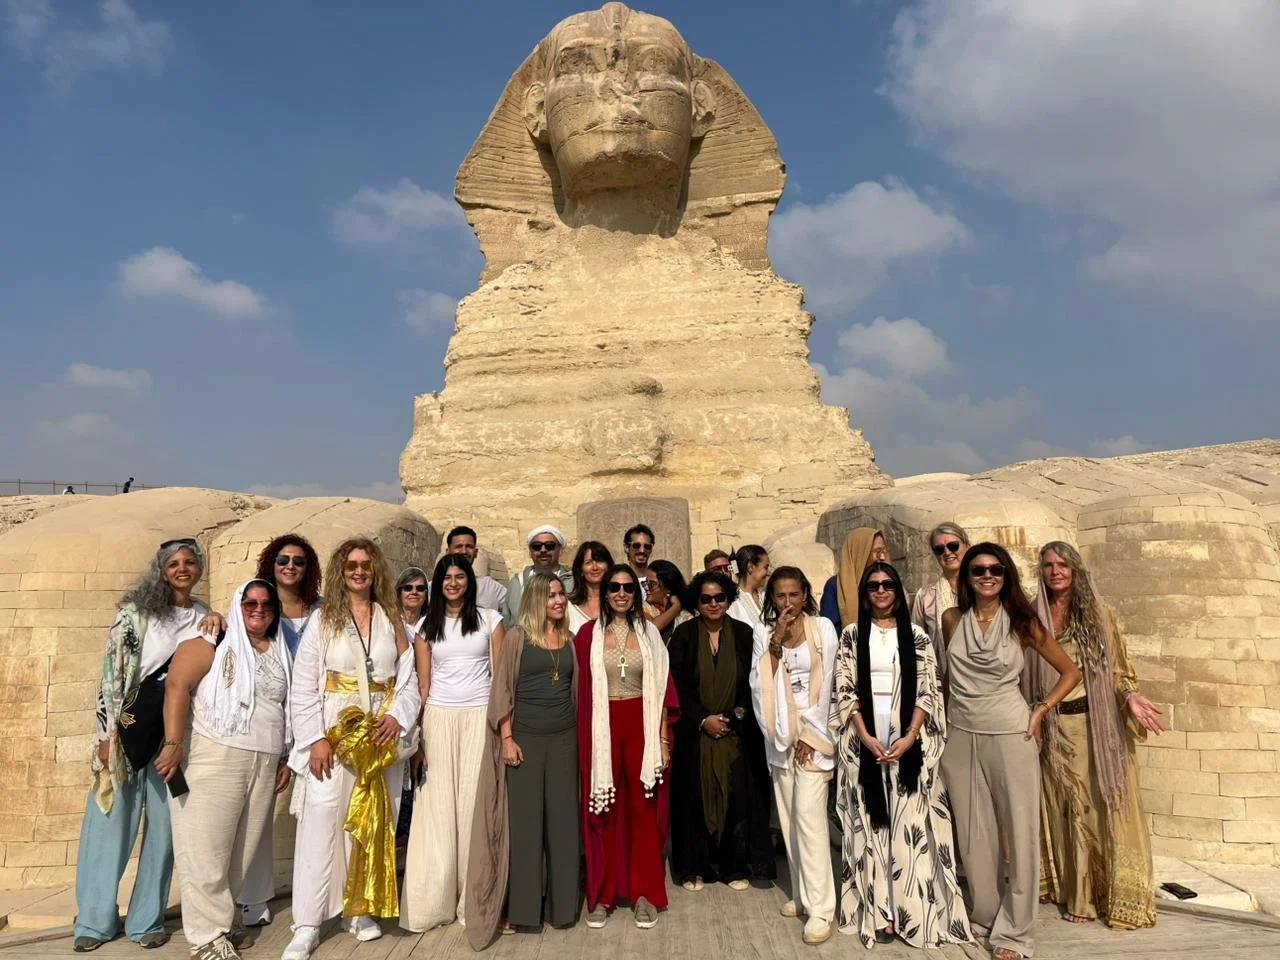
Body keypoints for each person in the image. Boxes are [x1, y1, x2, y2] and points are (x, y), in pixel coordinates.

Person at [74, 538, 222, 953]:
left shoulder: (204, 619)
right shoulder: (135, 615)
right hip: (127, 732)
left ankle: (146, 920)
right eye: (173, 563)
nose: (182, 569)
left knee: (163, 832)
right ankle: (94, 920)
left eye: (190, 562)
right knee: (109, 827)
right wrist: (105, 736)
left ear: (199, 569)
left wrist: (218, 620)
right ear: (161, 569)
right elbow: (111, 675)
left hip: (172, 738)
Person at [940, 543, 1080, 960]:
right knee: (972, 834)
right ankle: (985, 915)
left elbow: (1071, 672)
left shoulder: (1023, 622)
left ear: (1006, 576)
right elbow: (948, 680)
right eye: (978, 570)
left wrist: (1040, 710)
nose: (987, 576)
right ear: (966, 577)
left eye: (995, 570)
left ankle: (1015, 934)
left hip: (1009, 733)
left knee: (1019, 833)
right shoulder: (951, 620)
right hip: (960, 735)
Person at [283, 539, 420, 960]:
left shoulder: (391, 618)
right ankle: (307, 923)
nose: (359, 572)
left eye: (365, 565)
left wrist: (398, 715)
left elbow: (410, 677)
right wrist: (315, 739)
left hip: (379, 736)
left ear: (375, 570)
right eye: (351, 566)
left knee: (373, 821)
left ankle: (357, 910)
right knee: (322, 822)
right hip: (334, 733)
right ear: (341, 572)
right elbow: (304, 686)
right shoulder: (325, 620)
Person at [829, 563, 970, 949]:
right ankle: (881, 914)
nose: (880, 590)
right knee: (872, 828)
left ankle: (910, 911)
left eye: (888, 584)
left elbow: (928, 690)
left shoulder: (918, 637)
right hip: (867, 747)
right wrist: (865, 737)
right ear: (864, 591)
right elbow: (845, 690)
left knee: (908, 831)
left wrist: (910, 737)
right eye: (873, 585)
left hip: (910, 749)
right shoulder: (851, 636)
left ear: (897, 589)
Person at [1027, 541, 1161, 929]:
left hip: (1091, 727)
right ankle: (1071, 890)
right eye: (1049, 564)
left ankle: (1092, 898)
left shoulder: (1100, 615)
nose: (1055, 571)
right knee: (1062, 807)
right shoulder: (1035, 617)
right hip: (1052, 728)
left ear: (1075, 570)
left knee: (1091, 809)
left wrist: (1131, 696)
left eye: (1063, 564)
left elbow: (1118, 670)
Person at [160, 579, 293, 960]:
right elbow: (176, 685)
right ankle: (205, 938)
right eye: (250, 602)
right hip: (215, 755)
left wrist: (283, 756)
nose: (258, 608)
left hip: (263, 758)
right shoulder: (211, 641)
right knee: (205, 847)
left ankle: (224, 920)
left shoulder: (279, 648)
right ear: (238, 604)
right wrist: (173, 743)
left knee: (242, 848)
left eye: (266, 603)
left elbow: (281, 707)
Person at [466, 574, 580, 947]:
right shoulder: (517, 638)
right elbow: (502, 690)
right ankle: (524, 911)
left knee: (563, 824)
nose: (559, 600)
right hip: (525, 741)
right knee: (526, 827)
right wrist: (508, 738)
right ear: (535, 599)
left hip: (564, 740)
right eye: (551, 595)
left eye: (561, 594)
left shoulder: (570, 641)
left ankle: (563, 908)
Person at [400, 556, 506, 932]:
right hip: (440, 718)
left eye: (460, 576)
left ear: (469, 582)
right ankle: (434, 902)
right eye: (447, 577)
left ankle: (473, 900)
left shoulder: (491, 621)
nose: (453, 583)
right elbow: (423, 683)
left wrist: (501, 730)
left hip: (479, 716)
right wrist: (418, 738)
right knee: (438, 808)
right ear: (437, 582)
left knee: (474, 807)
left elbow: (499, 680)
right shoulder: (427, 627)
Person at [576, 563, 678, 930]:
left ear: (635, 595)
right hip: (602, 728)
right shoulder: (588, 635)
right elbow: (579, 691)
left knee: (643, 812)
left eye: (627, 588)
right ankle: (603, 895)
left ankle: (644, 894)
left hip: (642, 726)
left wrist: (664, 740)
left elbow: (664, 688)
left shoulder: (649, 632)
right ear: (605, 594)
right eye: (614, 588)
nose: (621, 594)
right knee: (603, 811)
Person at [749, 566, 839, 946]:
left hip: (816, 733)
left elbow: (831, 681)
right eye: (780, 596)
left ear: (805, 594)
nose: (787, 602)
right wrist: (777, 642)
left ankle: (822, 909)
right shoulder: (762, 632)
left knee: (809, 816)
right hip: (781, 734)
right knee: (788, 816)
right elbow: (759, 681)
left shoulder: (823, 628)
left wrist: (813, 733)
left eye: (794, 594)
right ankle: (802, 894)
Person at [668, 571, 774, 893]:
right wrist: (702, 719)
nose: (713, 604)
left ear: (728, 599)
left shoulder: (744, 634)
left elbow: (753, 682)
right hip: (695, 733)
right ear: (696, 603)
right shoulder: (684, 635)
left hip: (735, 731)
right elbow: (677, 686)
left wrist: (730, 717)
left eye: (719, 597)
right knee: (694, 800)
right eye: (706, 599)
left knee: (736, 799)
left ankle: (734, 866)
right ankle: (694, 868)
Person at [238, 535, 324, 926]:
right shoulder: (258, 609)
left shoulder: (323, 611)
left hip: (321, 720)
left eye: (300, 561)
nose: (291, 566)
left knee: (323, 809)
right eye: (283, 559)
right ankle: (251, 897)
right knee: (257, 813)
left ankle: (323, 892)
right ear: (271, 564)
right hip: (268, 722)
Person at [910, 522, 969, 679]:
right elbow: (918, 647)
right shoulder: (925, 597)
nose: (947, 552)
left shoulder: (983, 590)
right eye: (939, 549)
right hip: (941, 682)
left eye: (953, 546)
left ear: (967, 546)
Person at [501, 525, 575, 629]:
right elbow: (507, 621)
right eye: (536, 546)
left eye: (549, 545)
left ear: (561, 550)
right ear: (530, 552)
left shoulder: (574, 580)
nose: (543, 550)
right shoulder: (518, 582)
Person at [820, 528, 887, 634]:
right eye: (877, 552)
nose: (882, 557)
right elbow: (830, 631)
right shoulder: (835, 586)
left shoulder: (888, 584)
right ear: (860, 553)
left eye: (883, 551)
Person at [446, 525, 508, 611]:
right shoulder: (433, 587)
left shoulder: (490, 587)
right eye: (458, 546)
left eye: (469, 547)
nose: (464, 551)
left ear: (475, 553)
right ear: (448, 552)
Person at [567, 540, 613, 634]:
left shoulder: (619, 603)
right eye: (588, 562)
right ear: (580, 570)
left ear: (608, 566)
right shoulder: (568, 607)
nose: (595, 567)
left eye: (600, 561)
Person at [645, 558, 691, 641]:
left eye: (651, 584)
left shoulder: (685, 616)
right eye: (645, 583)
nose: (646, 587)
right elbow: (649, 631)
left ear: (667, 588)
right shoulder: (641, 609)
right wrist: (675, 607)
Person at [727, 545, 769, 631]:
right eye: (766, 567)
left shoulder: (766, 596)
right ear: (750, 567)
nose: (768, 573)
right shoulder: (732, 602)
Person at [395, 566, 429, 642]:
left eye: (420, 588)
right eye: (408, 588)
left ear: (425, 595)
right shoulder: (391, 624)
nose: (414, 592)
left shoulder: (431, 625)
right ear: (399, 593)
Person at [624, 523, 656, 597]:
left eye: (647, 546)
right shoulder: (619, 581)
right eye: (636, 546)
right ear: (626, 548)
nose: (642, 550)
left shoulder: (658, 581)